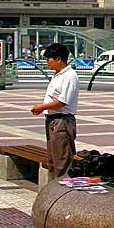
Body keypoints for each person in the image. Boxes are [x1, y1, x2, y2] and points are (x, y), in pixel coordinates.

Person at [30, 43, 79, 179]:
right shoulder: (57, 75)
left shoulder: (69, 76)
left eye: (48, 59)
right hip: (52, 121)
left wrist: (42, 107)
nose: (47, 63)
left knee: (62, 161)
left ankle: (63, 193)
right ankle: (54, 191)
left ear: (58, 59)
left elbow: (62, 102)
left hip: (62, 121)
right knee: (53, 160)